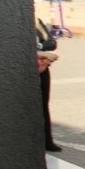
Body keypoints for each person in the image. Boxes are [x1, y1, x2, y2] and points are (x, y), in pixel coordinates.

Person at [35, 16, 61, 151]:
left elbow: (52, 43)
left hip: (43, 69)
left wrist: (39, 46)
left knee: (44, 105)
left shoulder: (36, 21)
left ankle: (47, 140)